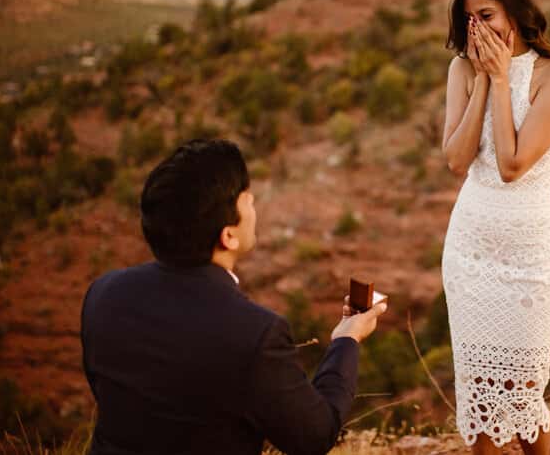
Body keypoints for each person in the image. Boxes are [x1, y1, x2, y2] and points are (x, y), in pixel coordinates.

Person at [80, 139, 387, 455]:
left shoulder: (103, 294)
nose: (252, 200)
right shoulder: (255, 335)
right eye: (246, 198)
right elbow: (314, 435)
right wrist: (347, 339)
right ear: (227, 236)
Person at [441, 0, 550, 455]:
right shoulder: (462, 70)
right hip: (471, 254)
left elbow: (512, 164)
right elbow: (457, 161)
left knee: (522, 393)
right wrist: (481, 79)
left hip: (532, 260)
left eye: (487, 15)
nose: (476, 29)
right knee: (481, 399)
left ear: (516, 13)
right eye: (469, 20)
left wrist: (502, 80)